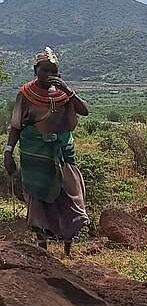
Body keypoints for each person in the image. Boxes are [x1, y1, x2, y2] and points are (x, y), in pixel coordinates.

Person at [4, 47, 90, 255]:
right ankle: (42, 248)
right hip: (36, 156)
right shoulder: (25, 94)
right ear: (36, 70)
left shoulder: (64, 95)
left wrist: (69, 91)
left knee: (69, 196)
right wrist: (8, 152)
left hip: (62, 154)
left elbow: (84, 110)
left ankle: (68, 248)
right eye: (45, 70)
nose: (49, 75)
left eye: (53, 71)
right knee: (39, 199)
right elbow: (16, 126)